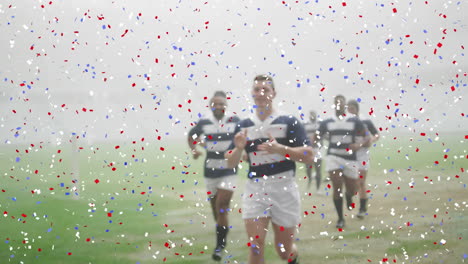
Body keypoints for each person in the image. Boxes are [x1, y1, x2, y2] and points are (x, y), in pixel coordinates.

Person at [225, 74, 314, 264]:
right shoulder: (243, 125)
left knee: (283, 251)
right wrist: (239, 148)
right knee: (255, 246)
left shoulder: (289, 121)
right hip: (255, 189)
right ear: (252, 93)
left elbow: (309, 155)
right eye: (257, 89)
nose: (261, 93)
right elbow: (230, 163)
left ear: (274, 93)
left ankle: (293, 257)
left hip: (284, 188)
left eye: (266, 89)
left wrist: (281, 149)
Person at [187, 91, 240, 261]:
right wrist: (194, 149)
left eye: (221, 104)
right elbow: (192, 136)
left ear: (226, 105)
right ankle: (223, 230)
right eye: (215, 104)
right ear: (210, 105)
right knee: (216, 209)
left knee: (222, 204)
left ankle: (219, 247)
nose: (218, 107)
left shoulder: (235, 121)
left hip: (229, 169)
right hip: (210, 170)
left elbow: (244, 137)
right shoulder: (204, 122)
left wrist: (242, 151)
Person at [314, 95, 369, 229]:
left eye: (341, 103)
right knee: (337, 185)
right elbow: (316, 136)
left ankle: (349, 196)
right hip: (333, 157)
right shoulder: (327, 122)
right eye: (336, 103)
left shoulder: (354, 121)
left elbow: (367, 137)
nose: (339, 106)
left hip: (350, 158)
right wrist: (314, 142)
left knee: (354, 188)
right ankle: (340, 218)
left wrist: (359, 145)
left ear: (344, 106)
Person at [346, 99, 380, 219]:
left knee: (361, 182)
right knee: (351, 182)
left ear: (357, 109)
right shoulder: (346, 122)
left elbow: (376, 134)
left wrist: (371, 140)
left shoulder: (365, 121)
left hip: (362, 154)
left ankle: (362, 208)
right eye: (348, 109)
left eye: (352, 109)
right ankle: (349, 195)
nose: (350, 111)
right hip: (349, 155)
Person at [303, 110, 323, 191]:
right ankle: (310, 179)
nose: (312, 116)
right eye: (311, 114)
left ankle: (318, 189)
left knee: (318, 168)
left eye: (314, 114)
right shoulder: (305, 124)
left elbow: (323, 135)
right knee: (308, 168)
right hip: (308, 148)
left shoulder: (320, 124)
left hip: (317, 149)